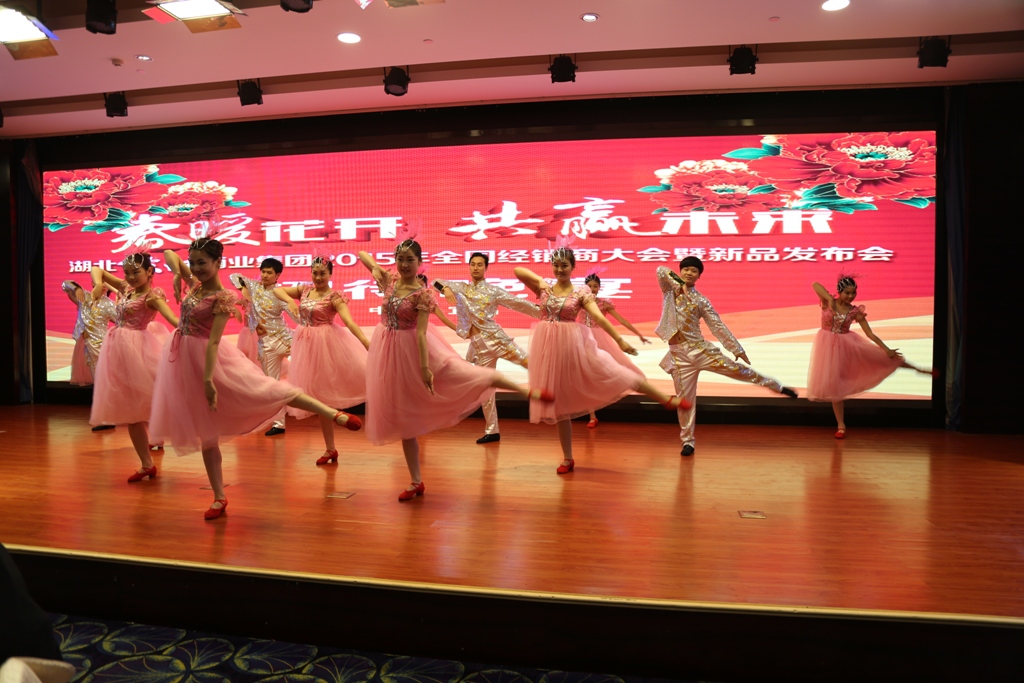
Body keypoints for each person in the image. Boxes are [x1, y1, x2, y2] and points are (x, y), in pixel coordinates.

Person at [154, 238, 361, 520]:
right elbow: (169, 254)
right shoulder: (195, 285)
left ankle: (332, 413)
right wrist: (179, 274)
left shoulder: (221, 297)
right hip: (184, 361)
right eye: (193, 263)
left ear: (218, 263)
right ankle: (219, 497)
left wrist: (207, 379)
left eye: (202, 262)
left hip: (208, 360)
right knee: (207, 432)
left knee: (267, 389)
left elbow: (213, 342)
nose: (196, 268)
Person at [359, 241, 552, 502]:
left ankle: (524, 390)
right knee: (405, 420)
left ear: (419, 263)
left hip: (418, 350)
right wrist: (383, 264)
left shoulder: (422, 294)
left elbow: (421, 333)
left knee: (466, 376)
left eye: (410, 260)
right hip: (389, 352)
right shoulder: (390, 282)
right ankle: (416, 481)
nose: (404, 265)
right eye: (400, 259)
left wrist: (425, 368)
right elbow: (363, 256)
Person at [514, 246, 686, 474]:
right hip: (548, 350)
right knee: (558, 404)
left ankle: (664, 399)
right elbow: (518, 270)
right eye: (556, 265)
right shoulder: (543, 288)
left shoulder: (580, 293)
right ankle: (567, 458)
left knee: (614, 371)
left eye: (564, 265)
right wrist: (541, 281)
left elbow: (598, 317)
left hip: (572, 347)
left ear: (573, 267)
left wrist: (619, 340)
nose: (559, 269)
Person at [655, 257, 797, 457]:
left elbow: (717, 325)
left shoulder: (701, 300)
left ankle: (776, 386)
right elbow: (660, 270)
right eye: (685, 269)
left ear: (699, 276)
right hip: (679, 356)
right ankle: (688, 442)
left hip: (700, 351)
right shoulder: (669, 292)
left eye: (694, 271)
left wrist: (736, 348)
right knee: (684, 402)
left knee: (740, 371)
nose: (689, 273)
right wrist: (679, 285)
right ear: (680, 272)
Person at [808, 276, 935, 439]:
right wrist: (830, 299)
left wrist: (886, 349)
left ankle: (918, 369)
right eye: (847, 293)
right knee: (835, 386)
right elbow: (815, 284)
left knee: (883, 358)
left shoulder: (854, 312)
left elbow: (870, 334)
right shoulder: (827, 302)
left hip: (847, 346)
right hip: (827, 349)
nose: (851, 296)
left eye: (853, 293)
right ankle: (841, 426)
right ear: (839, 291)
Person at [89, 254, 179, 481]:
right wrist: (98, 284)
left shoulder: (152, 297)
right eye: (127, 272)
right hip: (118, 352)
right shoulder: (127, 288)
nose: (130, 277)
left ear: (149, 272)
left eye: (135, 272)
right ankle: (147, 464)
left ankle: (158, 441)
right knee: (132, 412)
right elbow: (97, 268)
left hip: (137, 351)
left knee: (151, 402)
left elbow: (174, 319)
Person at [435, 252, 540, 444]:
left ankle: (560, 388)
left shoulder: (493, 291)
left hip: (497, 340)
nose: (476, 267)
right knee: (485, 389)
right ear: (469, 266)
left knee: (529, 363)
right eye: (473, 264)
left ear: (486, 268)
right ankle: (492, 431)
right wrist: (446, 288)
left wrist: (544, 312)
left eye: (480, 264)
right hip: (479, 347)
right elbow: (436, 281)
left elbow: (518, 303)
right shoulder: (461, 288)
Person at [275, 256, 369, 465]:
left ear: (330, 274)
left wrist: (365, 341)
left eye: (322, 273)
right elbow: (277, 290)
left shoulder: (335, 297)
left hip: (326, 346)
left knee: (324, 396)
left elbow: (349, 322)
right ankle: (330, 448)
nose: (318, 277)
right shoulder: (305, 290)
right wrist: (289, 301)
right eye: (315, 273)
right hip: (305, 345)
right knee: (317, 396)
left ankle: (331, 443)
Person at [230, 258, 293, 436]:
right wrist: (243, 288)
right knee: (271, 383)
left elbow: (292, 313)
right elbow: (234, 276)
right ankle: (278, 423)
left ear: (277, 275)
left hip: (286, 338)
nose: (265, 275)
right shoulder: (254, 287)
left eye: (269, 272)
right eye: (263, 271)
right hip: (266, 343)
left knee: (309, 369)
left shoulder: (280, 293)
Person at [580, 271, 651, 429]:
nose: (592, 289)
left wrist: (639, 334)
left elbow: (622, 320)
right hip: (582, 339)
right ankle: (592, 416)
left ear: (599, 288)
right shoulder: (578, 301)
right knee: (586, 376)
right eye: (589, 286)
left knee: (615, 369)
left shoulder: (604, 303)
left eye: (595, 286)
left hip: (599, 339)